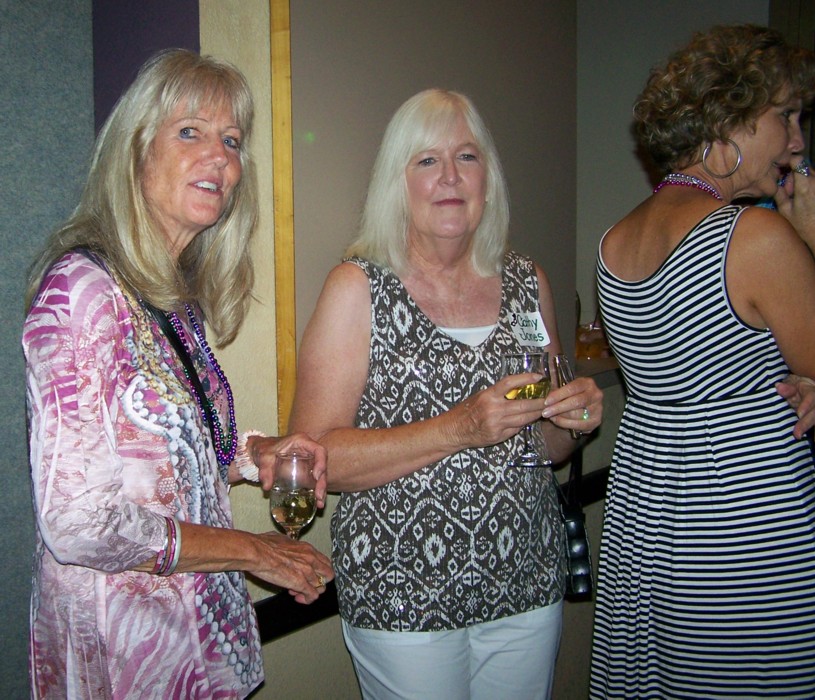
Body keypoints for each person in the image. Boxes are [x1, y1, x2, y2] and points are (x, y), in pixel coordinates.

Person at [23, 49, 334, 699]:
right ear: (136, 151)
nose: (218, 156)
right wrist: (252, 550)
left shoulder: (169, 297)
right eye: (190, 132)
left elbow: (172, 453)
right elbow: (78, 523)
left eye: (231, 140)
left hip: (196, 645)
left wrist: (256, 456)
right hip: (124, 649)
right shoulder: (82, 293)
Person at [289, 88, 603, 700]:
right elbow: (312, 456)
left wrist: (572, 420)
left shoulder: (527, 281)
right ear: (397, 182)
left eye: (467, 156)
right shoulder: (358, 288)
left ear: (489, 178)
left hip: (525, 579)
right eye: (427, 160)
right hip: (404, 594)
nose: (451, 176)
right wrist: (461, 427)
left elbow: (545, 448)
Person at [590, 24, 815, 698]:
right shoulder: (758, 237)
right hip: (742, 519)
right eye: (785, 116)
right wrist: (807, 241)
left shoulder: (613, 242)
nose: (797, 141)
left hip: (647, 506)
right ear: (730, 119)